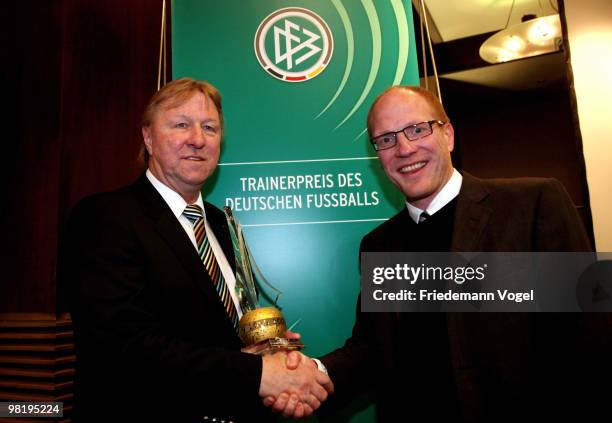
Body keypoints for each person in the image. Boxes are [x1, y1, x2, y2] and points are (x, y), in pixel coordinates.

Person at [270, 85, 596, 421]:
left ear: (449, 135)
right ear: (377, 156)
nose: (404, 148)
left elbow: (588, 342)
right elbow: (371, 351)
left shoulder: (533, 205)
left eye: (416, 129)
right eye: (386, 139)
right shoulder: (379, 245)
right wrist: (311, 373)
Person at [59, 77, 332, 422]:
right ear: (148, 137)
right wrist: (262, 374)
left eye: (210, 128)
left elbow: (211, 334)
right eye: (181, 125)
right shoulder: (104, 218)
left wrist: (264, 353)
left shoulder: (219, 222)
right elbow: (123, 346)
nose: (197, 140)